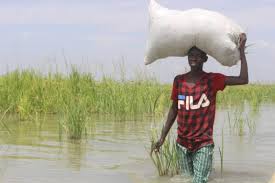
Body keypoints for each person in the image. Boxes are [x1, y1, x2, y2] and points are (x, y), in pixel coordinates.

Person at [150, 33, 248, 183]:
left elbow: (243, 79)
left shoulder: (212, 80)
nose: (193, 58)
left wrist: (241, 52)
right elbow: (174, 110)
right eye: (191, 55)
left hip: (203, 144)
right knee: (185, 179)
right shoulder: (179, 81)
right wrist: (162, 137)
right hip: (182, 144)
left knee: (199, 181)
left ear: (205, 59)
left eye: (198, 55)